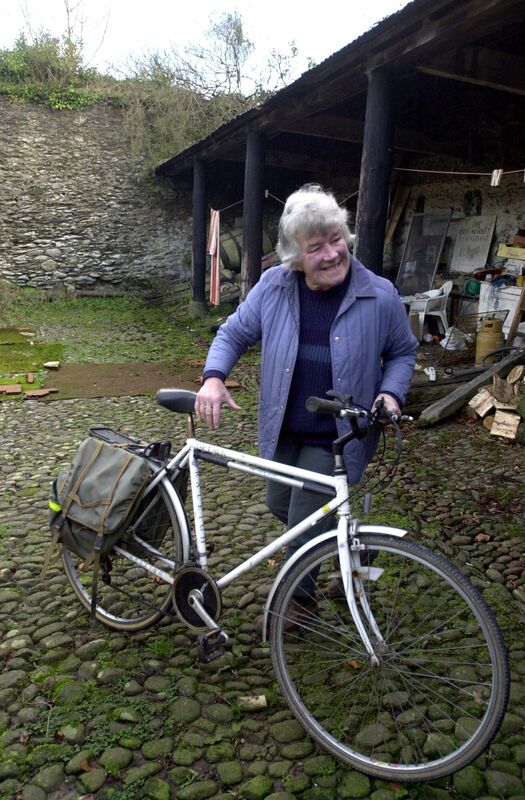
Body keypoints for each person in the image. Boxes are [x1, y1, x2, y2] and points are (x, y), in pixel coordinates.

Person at [195, 184, 419, 627]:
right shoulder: (274, 287)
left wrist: (390, 393)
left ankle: (298, 602)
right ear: (295, 256)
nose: (333, 254)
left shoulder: (379, 294)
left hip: (339, 435)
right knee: (282, 505)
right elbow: (234, 332)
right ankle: (352, 544)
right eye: (316, 247)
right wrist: (214, 377)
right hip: (285, 429)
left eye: (337, 239)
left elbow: (402, 352)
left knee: (303, 524)